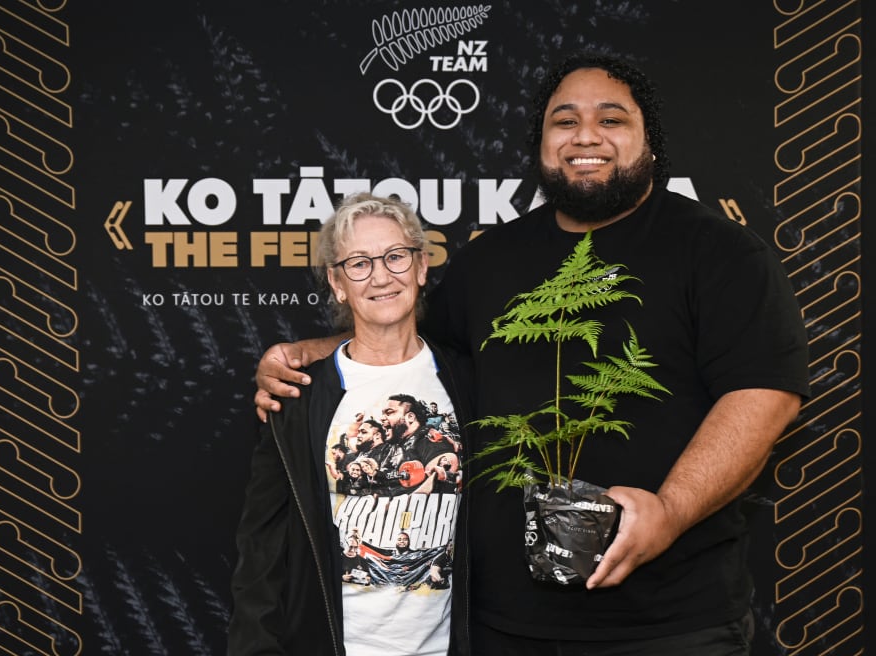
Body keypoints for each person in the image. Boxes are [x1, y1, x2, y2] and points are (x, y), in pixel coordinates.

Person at [253, 52, 810, 655]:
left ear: (649, 139)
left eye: (612, 119)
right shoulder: (489, 260)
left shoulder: (720, 252)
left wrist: (669, 511)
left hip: (671, 625)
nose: (585, 136)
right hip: (504, 626)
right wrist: (310, 352)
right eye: (564, 121)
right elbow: (408, 341)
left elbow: (764, 396)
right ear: (541, 143)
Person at [227, 192, 473, 656]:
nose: (381, 275)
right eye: (359, 263)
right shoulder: (297, 400)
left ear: (421, 267)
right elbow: (262, 552)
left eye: (395, 257)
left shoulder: (468, 383)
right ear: (338, 283)